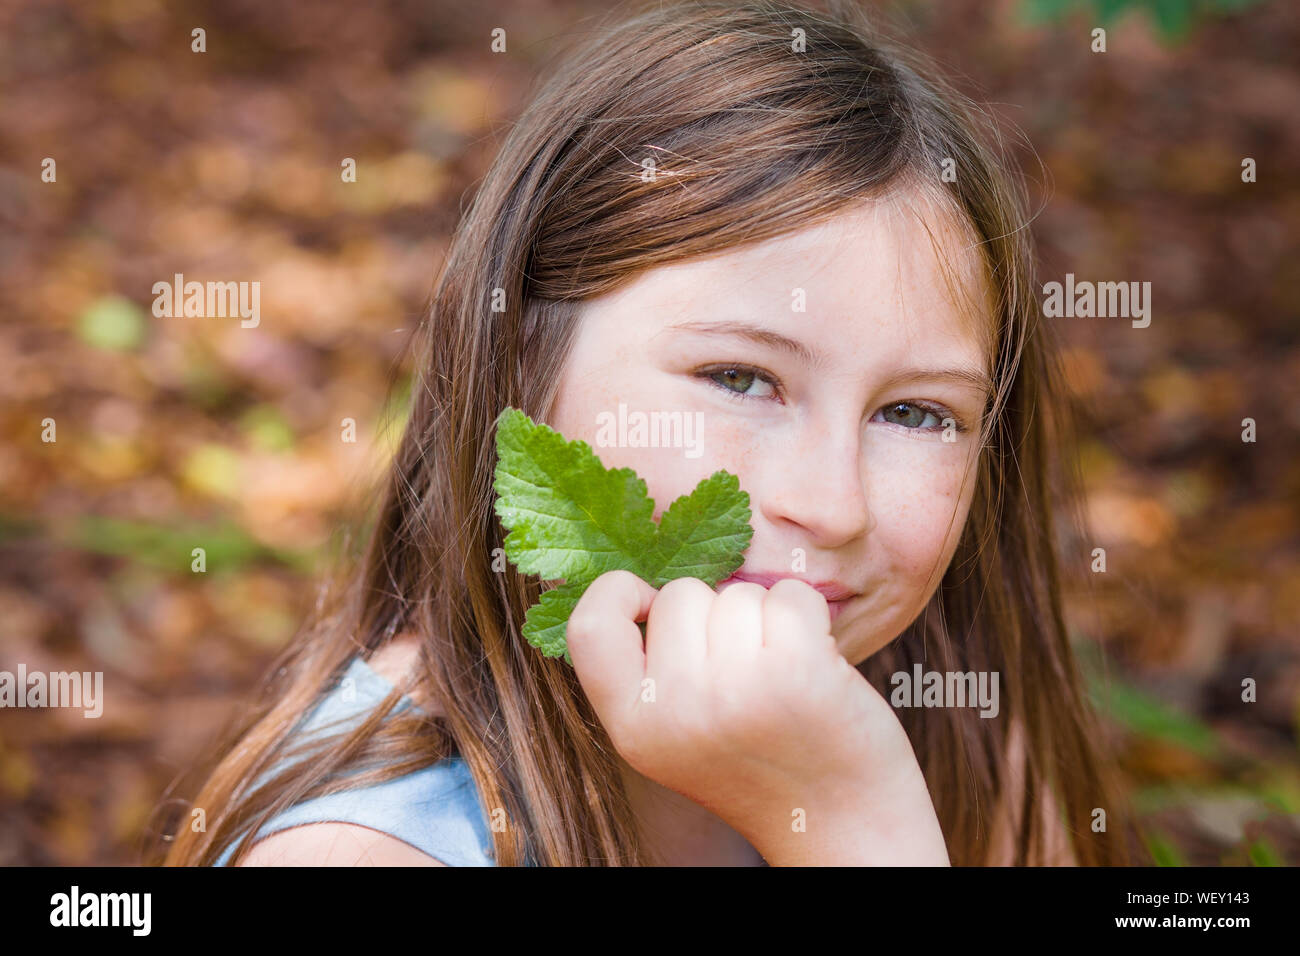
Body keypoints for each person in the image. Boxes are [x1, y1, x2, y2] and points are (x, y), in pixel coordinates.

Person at [164, 0, 1133, 867]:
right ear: (518, 365)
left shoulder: (946, 743)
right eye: (741, 378)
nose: (830, 502)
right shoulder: (362, 852)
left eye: (915, 412)